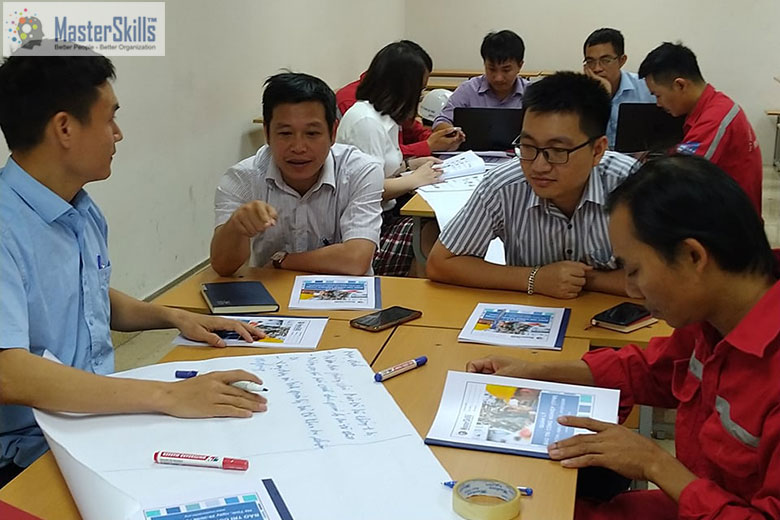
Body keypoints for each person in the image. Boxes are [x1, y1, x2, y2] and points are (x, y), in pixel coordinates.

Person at [0, 47, 267, 487]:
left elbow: (84, 294)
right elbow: (10, 372)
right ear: (65, 128)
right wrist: (167, 395)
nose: (118, 134)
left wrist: (172, 316)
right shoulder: (7, 228)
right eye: (110, 119)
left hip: (94, 419)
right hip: (31, 455)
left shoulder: (81, 210)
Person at [467, 155, 780, 519]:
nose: (631, 290)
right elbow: (651, 370)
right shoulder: (714, 315)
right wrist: (536, 371)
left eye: (634, 270)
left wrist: (654, 463)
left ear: (693, 256)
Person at [427, 72, 638, 298]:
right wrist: (535, 278)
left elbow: (660, 278)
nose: (538, 166)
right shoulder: (503, 185)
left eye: (557, 151)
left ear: (597, 151)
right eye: (528, 146)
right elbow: (441, 263)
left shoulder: (630, 184)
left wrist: (583, 279)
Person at [210, 72, 384, 276]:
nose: (299, 147)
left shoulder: (361, 171)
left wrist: (281, 260)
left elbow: (356, 260)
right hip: (272, 294)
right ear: (267, 133)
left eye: (312, 133)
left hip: (346, 293)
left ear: (333, 133)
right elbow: (222, 267)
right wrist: (236, 226)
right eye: (285, 133)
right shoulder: (241, 179)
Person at [336, 41, 447, 276]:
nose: (420, 97)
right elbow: (369, 190)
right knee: (431, 235)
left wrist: (410, 164)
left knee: (437, 227)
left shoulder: (385, 117)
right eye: (419, 90)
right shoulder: (366, 122)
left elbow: (380, 168)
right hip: (366, 229)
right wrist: (416, 178)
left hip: (385, 215)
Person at [638, 42, 762, 213]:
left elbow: (678, 177)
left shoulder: (716, 117)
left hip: (732, 220)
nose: (658, 104)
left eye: (658, 95)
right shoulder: (707, 106)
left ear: (680, 85)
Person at [335, 40, 463, 156]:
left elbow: (412, 130)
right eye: (418, 90)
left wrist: (442, 139)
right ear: (400, 86)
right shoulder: (361, 114)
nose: (418, 97)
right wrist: (427, 146)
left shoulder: (389, 105)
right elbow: (381, 159)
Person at [432, 30, 529, 130]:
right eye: (492, 69)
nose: (498, 78)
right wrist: (452, 132)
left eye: (506, 70)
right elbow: (441, 121)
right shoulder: (468, 89)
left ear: (520, 66)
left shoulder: (531, 93)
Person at [582, 28, 655, 149]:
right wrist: (601, 96)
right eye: (590, 62)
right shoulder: (577, 95)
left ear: (622, 61)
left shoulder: (646, 88)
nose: (597, 68)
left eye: (605, 60)